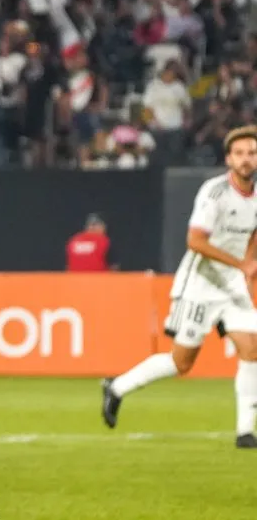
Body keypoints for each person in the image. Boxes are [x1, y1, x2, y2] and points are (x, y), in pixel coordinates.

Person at [103, 126, 257, 449]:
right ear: (229, 159)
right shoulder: (214, 193)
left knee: (252, 348)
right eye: (240, 153)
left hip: (231, 285)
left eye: (252, 153)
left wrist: (249, 262)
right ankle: (117, 387)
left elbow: (253, 232)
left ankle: (245, 431)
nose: (246, 159)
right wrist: (241, 264)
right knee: (182, 362)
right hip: (199, 284)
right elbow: (195, 241)